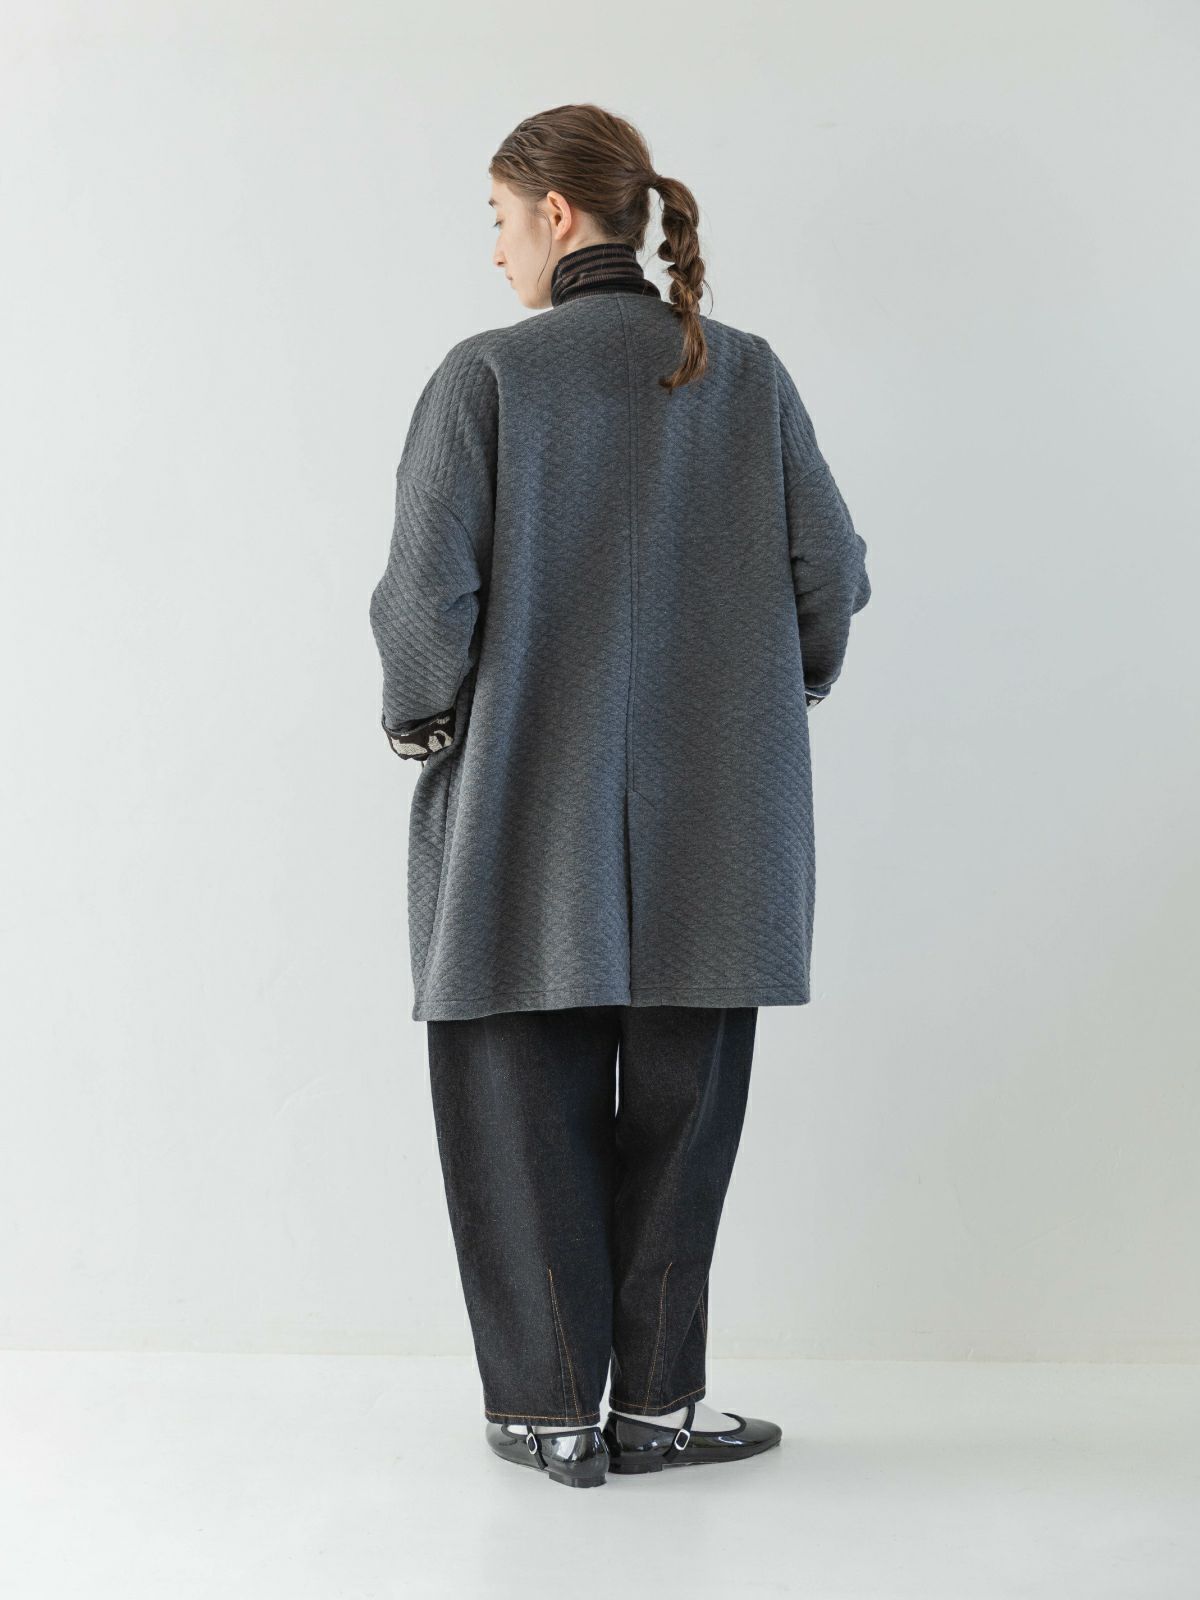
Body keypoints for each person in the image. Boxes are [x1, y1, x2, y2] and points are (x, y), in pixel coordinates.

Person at [369, 103, 871, 1488]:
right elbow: (832, 572)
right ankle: (658, 1406)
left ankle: (551, 1413)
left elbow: (425, 601)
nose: (495, 251)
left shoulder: (487, 377)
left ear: (556, 214)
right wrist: (778, 692)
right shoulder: (746, 374)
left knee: (517, 1110)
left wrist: (421, 718)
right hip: (725, 825)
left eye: (497, 218)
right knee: (684, 1123)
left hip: (526, 818)